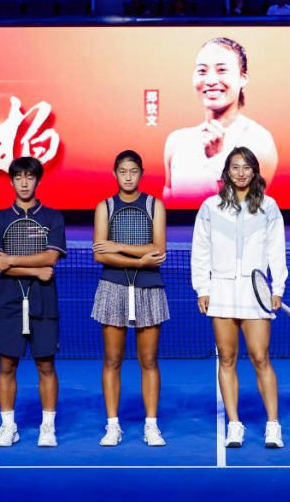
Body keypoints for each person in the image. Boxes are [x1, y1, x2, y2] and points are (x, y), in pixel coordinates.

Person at [192, 147, 288, 448]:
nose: (241, 172)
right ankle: (235, 424)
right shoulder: (210, 207)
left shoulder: (269, 207)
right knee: (228, 358)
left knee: (261, 357)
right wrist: (202, 288)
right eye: (235, 167)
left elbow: (276, 250)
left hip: (255, 292)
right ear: (227, 172)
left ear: (255, 171)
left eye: (246, 167)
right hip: (221, 289)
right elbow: (201, 250)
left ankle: (273, 425)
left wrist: (278, 288)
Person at [0, 157, 66, 448]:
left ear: (38, 181)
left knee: (46, 365)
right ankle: (8, 426)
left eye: (29, 177)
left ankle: (47, 427)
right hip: (9, 303)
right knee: (6, 365)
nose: (23, 182)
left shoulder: (53, 218)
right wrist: (33, 269)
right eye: (18, 177)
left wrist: (11, 260)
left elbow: (51, 258)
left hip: (43, 303)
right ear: (11, 181)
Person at [91, 151, 168, 447]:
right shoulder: (104, 207)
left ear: (141, 173)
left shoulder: (155, 205)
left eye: (133, 171)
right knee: (112, 359)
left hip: (150, 289)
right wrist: (138, 259)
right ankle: (113, 426)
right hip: (113, 288)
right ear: (115, 173)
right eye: (122, 171)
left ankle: (151, 426)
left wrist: (117, 247)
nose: (127, 176)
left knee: (149, 360)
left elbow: (158, 251)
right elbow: (99, 254)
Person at [163, 38, 278, 202]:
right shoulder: (176, 140)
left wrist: (217, 161)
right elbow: (169, 208)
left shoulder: (258, 140)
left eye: (221, 70)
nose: (209, 81)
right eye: (202, 71)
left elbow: (249, 212)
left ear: (243, 78)